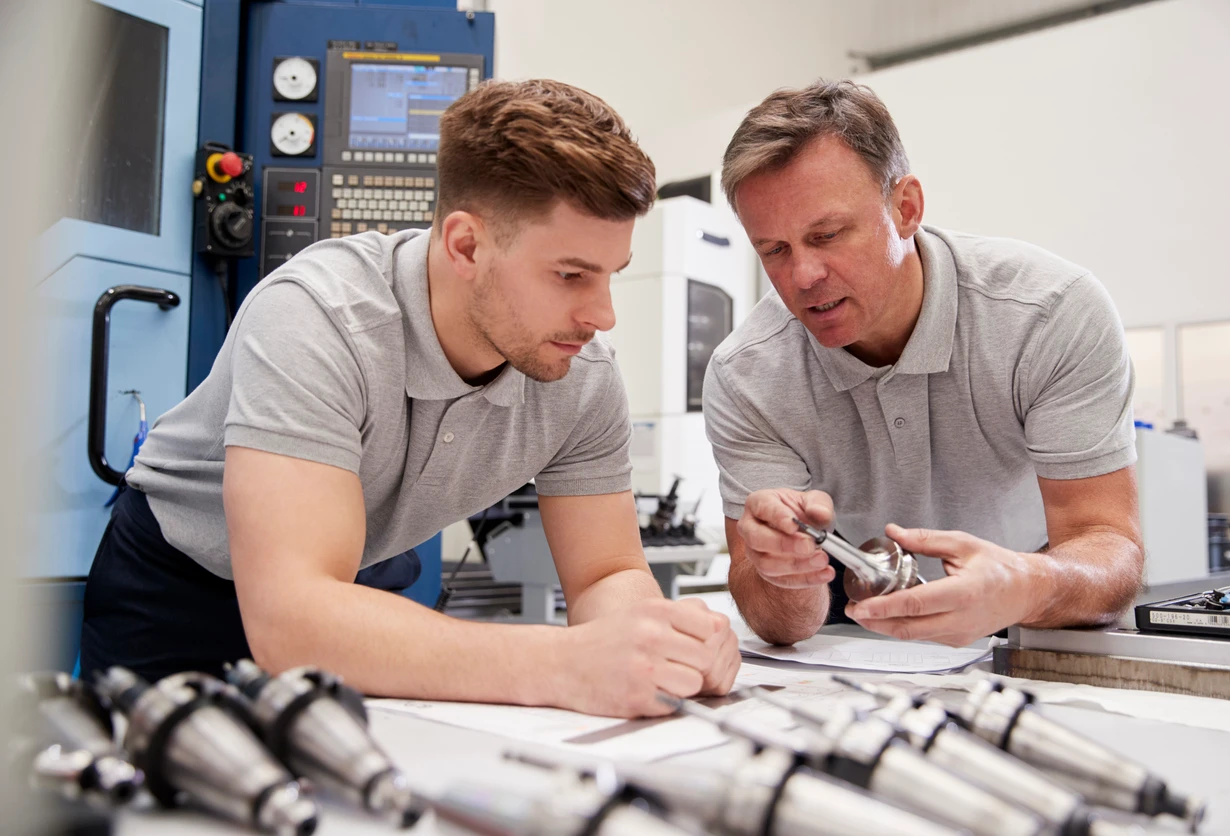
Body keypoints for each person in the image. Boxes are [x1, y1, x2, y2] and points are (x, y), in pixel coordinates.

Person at [80, 79, 740, 718]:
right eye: (571, 275)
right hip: (183, 587)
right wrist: (565, 661)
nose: (602, 315)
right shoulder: (317, 316)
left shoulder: (583, 376)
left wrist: (662, 645)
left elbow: (604, 576)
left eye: (610, 276)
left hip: (345, 589)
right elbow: (294, 623)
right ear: (466, 245)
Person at [705, 79, 1143, 648]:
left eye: (828, 235)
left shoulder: (1049, 313)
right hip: (866, 634)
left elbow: (1107, 546)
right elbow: (779, 622)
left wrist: (1022, 585)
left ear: (905, 208)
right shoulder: (748, 375)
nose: (803, 276)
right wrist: (780, 572)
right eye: (774, 251)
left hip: (1041, 616)